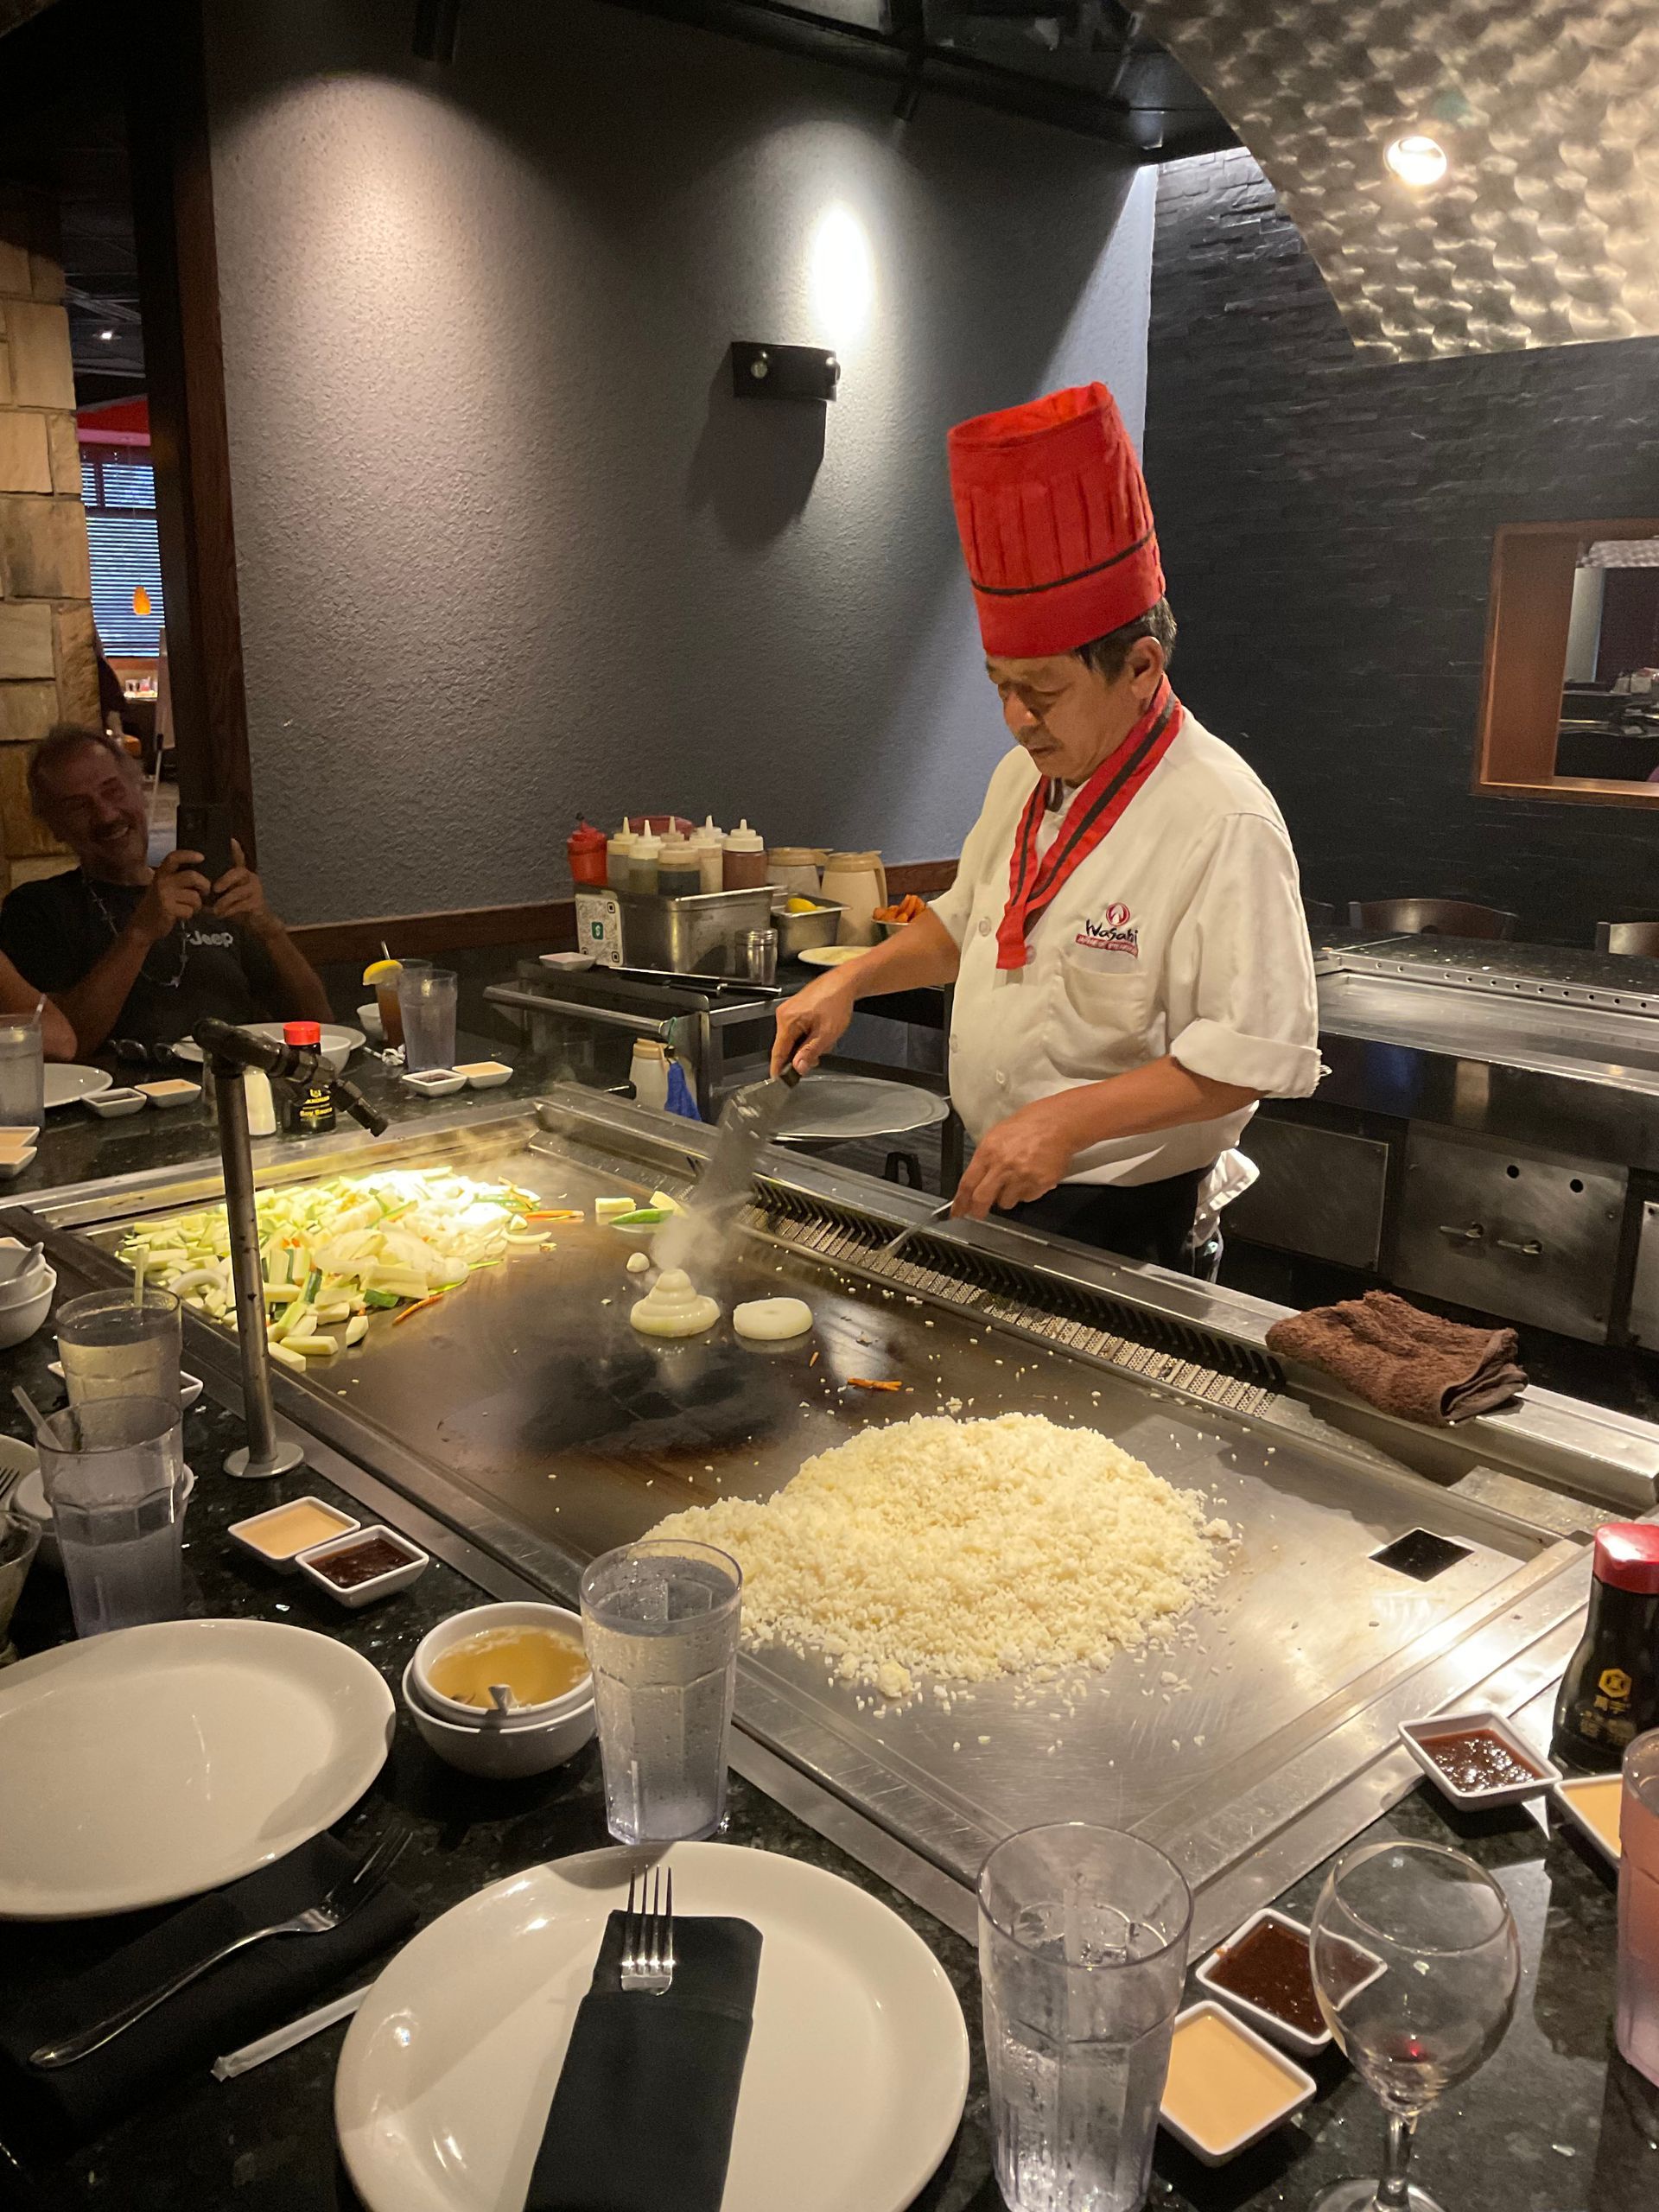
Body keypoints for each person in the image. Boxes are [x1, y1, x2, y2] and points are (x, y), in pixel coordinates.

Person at [772, 381, 1321, 1268]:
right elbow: (968, 925)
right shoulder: (1024, 777)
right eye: (1001, 686)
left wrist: (1064, 1122)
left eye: (1046, 690)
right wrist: (852, 983)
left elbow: (1248, 1055)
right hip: (1008, 1181)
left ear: (1141, 666)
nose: (1017, 718)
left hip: (1129, 1220)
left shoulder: (1223, 817)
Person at [0, 726, 333, 1062]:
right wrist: (140, 934)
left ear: (139, 790)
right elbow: (63, 1047)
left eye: (112, 791)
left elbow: (320, 1026)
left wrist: (270, 931)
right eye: (78, 807)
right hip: (125, 1104)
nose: (106, 815)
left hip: (238, 1089)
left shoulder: (208, 892)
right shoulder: (36, 909)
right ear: (54, 828)